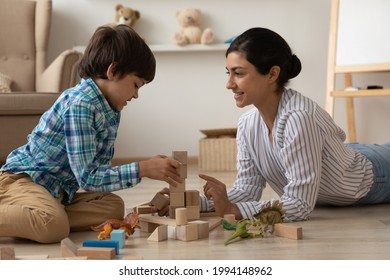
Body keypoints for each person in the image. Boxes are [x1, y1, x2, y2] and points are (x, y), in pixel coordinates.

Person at [0, 24, 183, 244]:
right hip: (25, 181)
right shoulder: (82, 104)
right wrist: (143, 168)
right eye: (136, 85)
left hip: (58, 193)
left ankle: (43, 214)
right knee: (52, 227)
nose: (136, 95)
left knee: (113, 206)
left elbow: (98, 176)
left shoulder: (110, 108)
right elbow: (88, 178)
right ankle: (40, 215)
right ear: (113, 71)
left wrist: (148, 174)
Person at [198, 27, 390, 222]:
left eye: (238, 73)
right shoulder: (247, 124)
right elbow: (247, 189)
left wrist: (234, 210)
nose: (229, 84)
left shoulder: (299, 118)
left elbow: (299, 204)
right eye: (228, 73)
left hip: (377, 174)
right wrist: (195, 203)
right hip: (344, 155)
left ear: (272, 74)